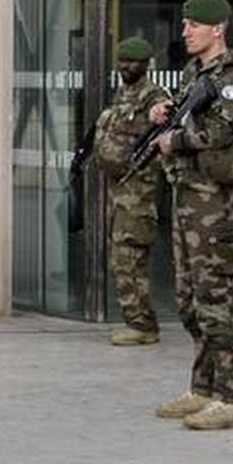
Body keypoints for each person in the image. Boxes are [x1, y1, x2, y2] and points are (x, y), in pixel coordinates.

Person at [145, 0, 233, 431]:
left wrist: (176, 140)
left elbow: (225, 128)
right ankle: (203, 387)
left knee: (217, 296)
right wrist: (165, 114)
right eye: (184, 24)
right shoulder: (195, 72)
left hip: (219, 203)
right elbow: (187, 116)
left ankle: (231, 396)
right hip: (189, 197)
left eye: (194, 25)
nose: (185, 31)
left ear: (218, 29)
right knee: (189, 298)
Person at [93, 36, 172, 347]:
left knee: (130, 257)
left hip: (139, 193)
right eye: (123, 61)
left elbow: (163, 123)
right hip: (118, 190)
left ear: (146, 64)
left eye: (133, 62)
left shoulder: (153, 96)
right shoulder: (123, 94)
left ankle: (142, 324)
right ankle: (135, 319)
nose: (126, 66)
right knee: (121, 257)